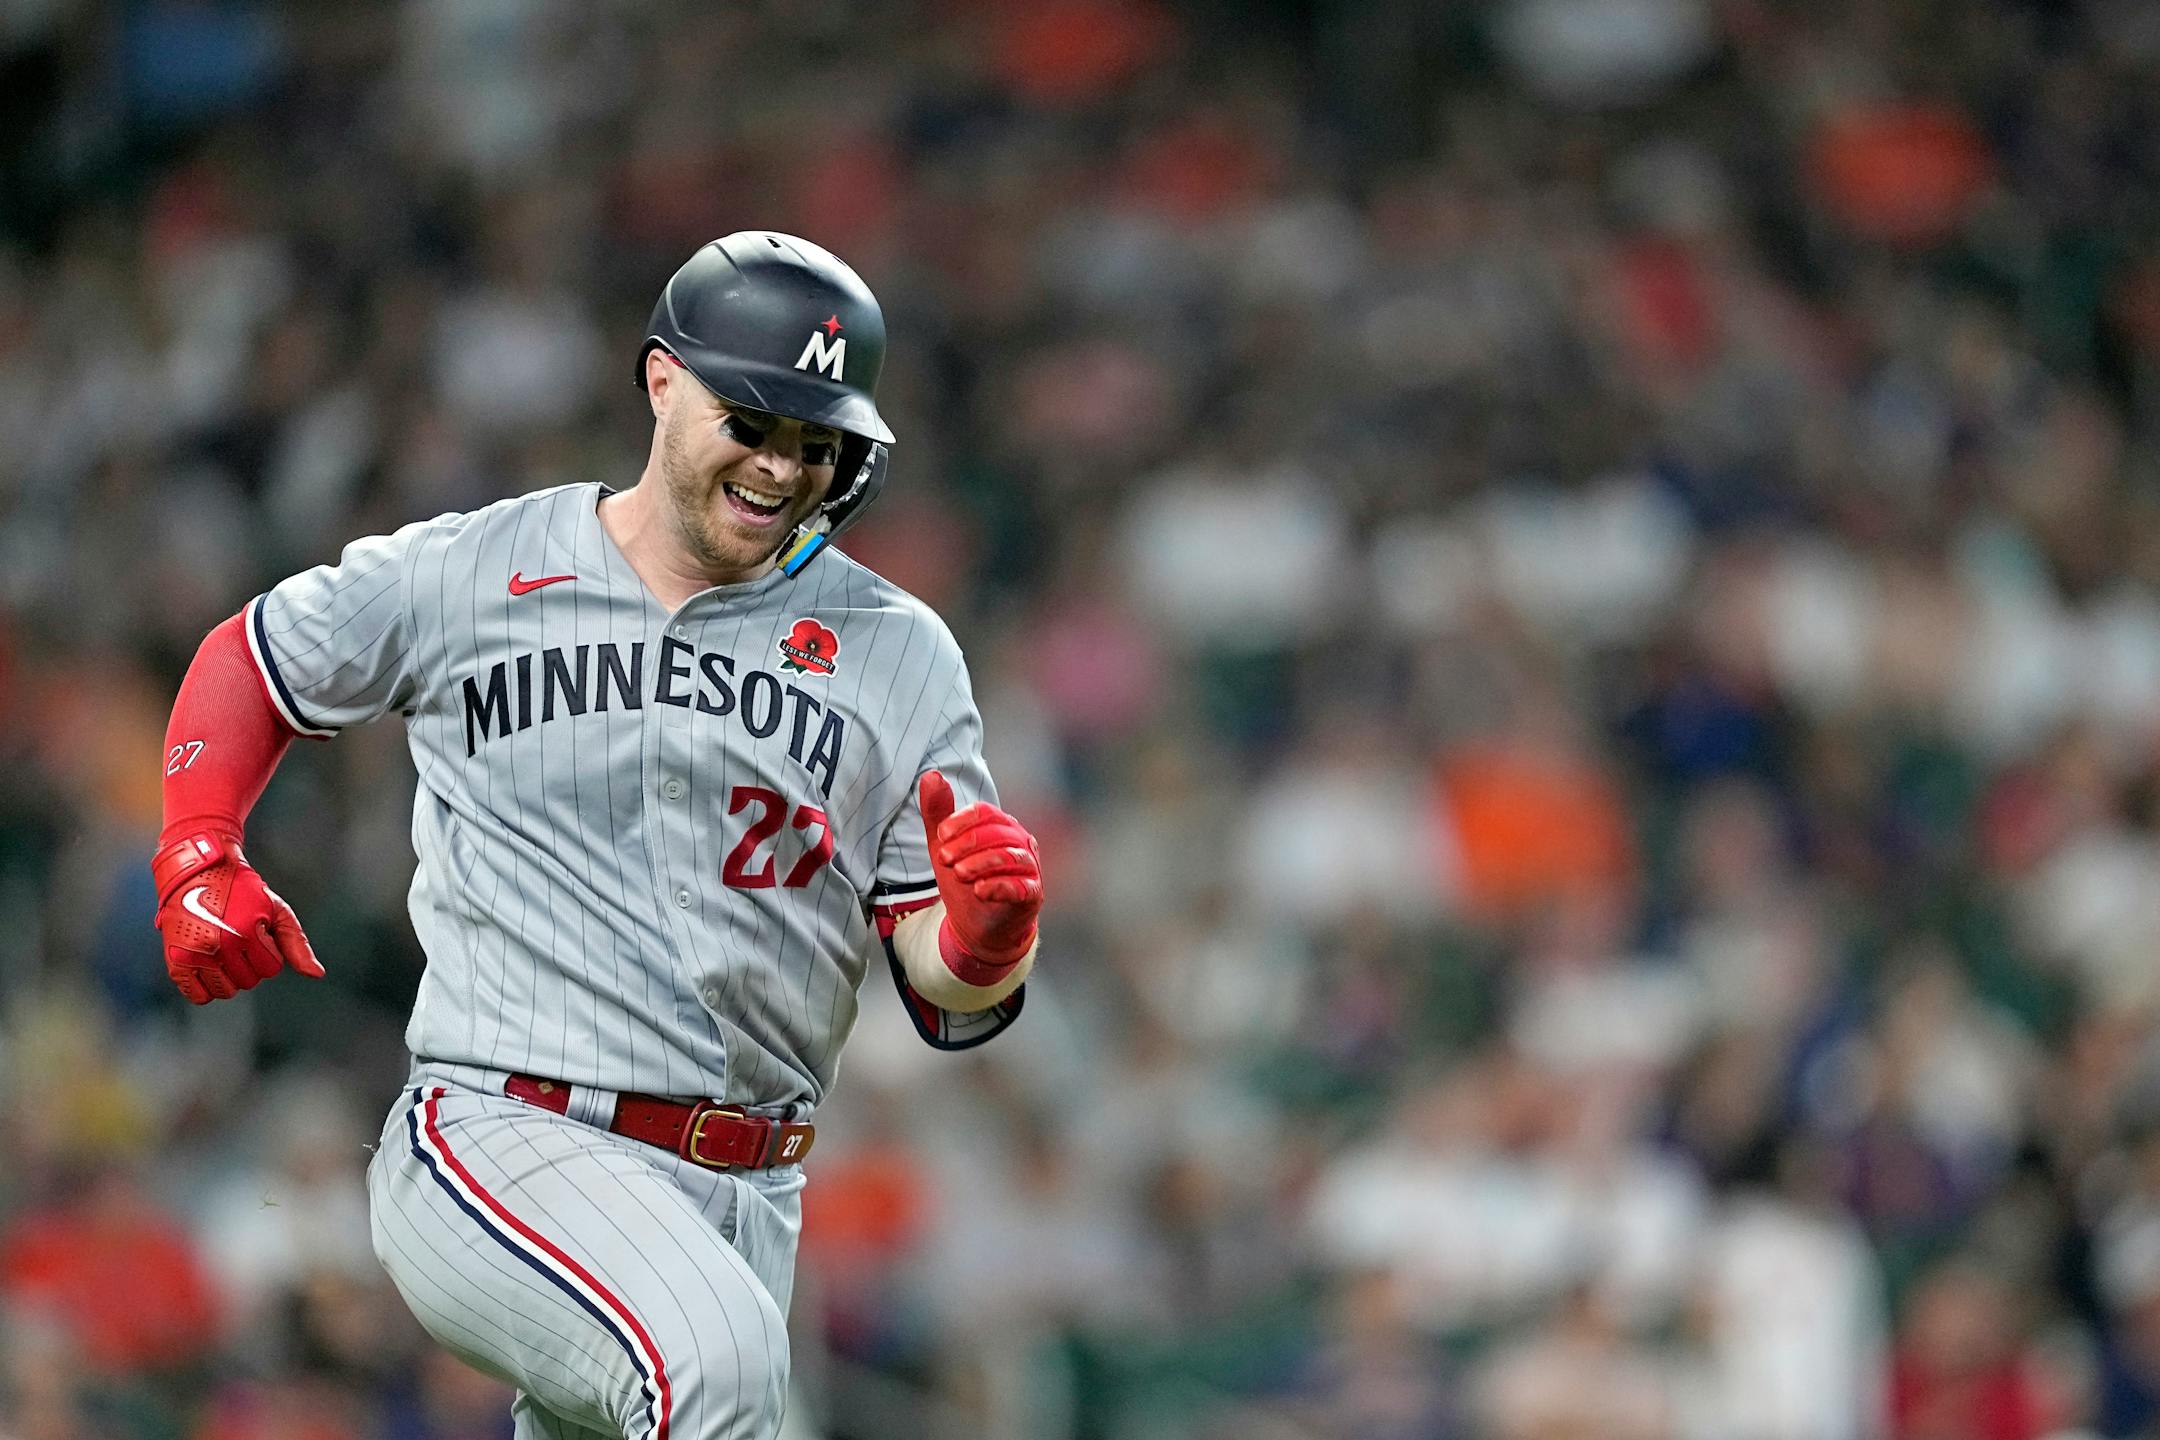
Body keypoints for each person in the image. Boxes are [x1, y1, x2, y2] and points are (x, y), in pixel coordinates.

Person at [148, 232, 1046, 1440]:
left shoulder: (898, 649)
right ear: (664, 379)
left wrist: (988, 937)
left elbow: (941, 982)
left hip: (752, 1189)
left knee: (714, 1376)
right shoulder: (481, 567)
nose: (783, 467)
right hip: (506, 1133)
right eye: (755, 420)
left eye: (816, 442)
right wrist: (198, 849)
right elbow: (252, 660)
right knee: (716, 1373)